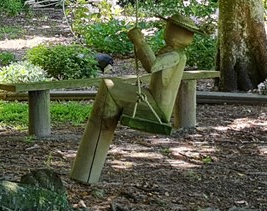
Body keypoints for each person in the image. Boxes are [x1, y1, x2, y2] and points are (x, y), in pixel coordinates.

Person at [70, 14, 199, 185]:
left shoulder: (174, 55)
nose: (166, 31)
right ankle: (87, 168)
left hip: (156, 108)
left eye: (170, 28)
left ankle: (85, 170)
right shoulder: (174, 53)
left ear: (179, 33)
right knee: (110, 86)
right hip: (151, 99)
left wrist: (140, 41)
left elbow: (152, 65)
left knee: (110, 92)